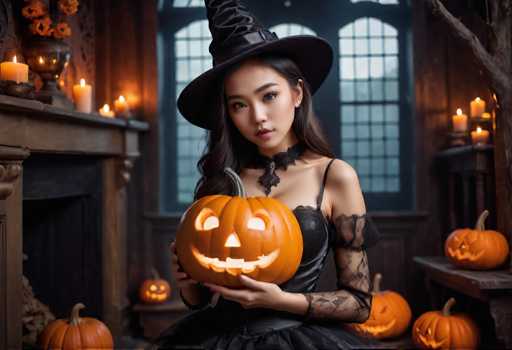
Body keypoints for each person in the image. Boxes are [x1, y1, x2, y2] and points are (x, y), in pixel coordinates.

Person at [152, 0, 380, 349]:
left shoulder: (335, 176)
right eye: (239, 104)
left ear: (297, 93)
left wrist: (278, 301)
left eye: (269, 95)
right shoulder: (224, 180)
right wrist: (186, 281)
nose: (257, 116)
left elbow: (359, 304)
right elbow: (199, 301)